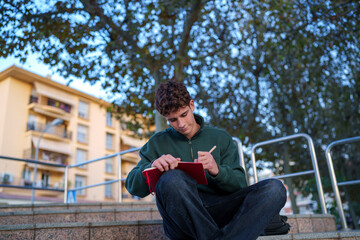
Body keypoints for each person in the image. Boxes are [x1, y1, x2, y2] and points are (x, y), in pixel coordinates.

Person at [125, 80, 286, 240]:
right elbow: (132, 186)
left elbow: (240, 185)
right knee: (171, 179)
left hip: (221, 210)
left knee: (275, 188)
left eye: (183, 114)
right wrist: (152, 167)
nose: (180, 124)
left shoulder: (220, 138)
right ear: (165, 118)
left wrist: (218, 171)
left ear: (192, 105)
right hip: (182, 218)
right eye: (172, 120)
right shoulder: (157, 143)